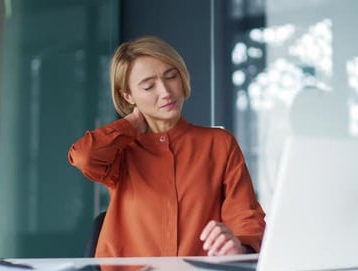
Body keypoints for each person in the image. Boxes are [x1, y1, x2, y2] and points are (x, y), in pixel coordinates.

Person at [68, 35, 266, 257]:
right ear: (128, 95)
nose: (166, 92)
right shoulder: (120, 151)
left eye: (171, 76)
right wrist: (130, 124)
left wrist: (239, 246)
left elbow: (246, 215)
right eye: (149, 86)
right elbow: (85, 157)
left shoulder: (220, 144)